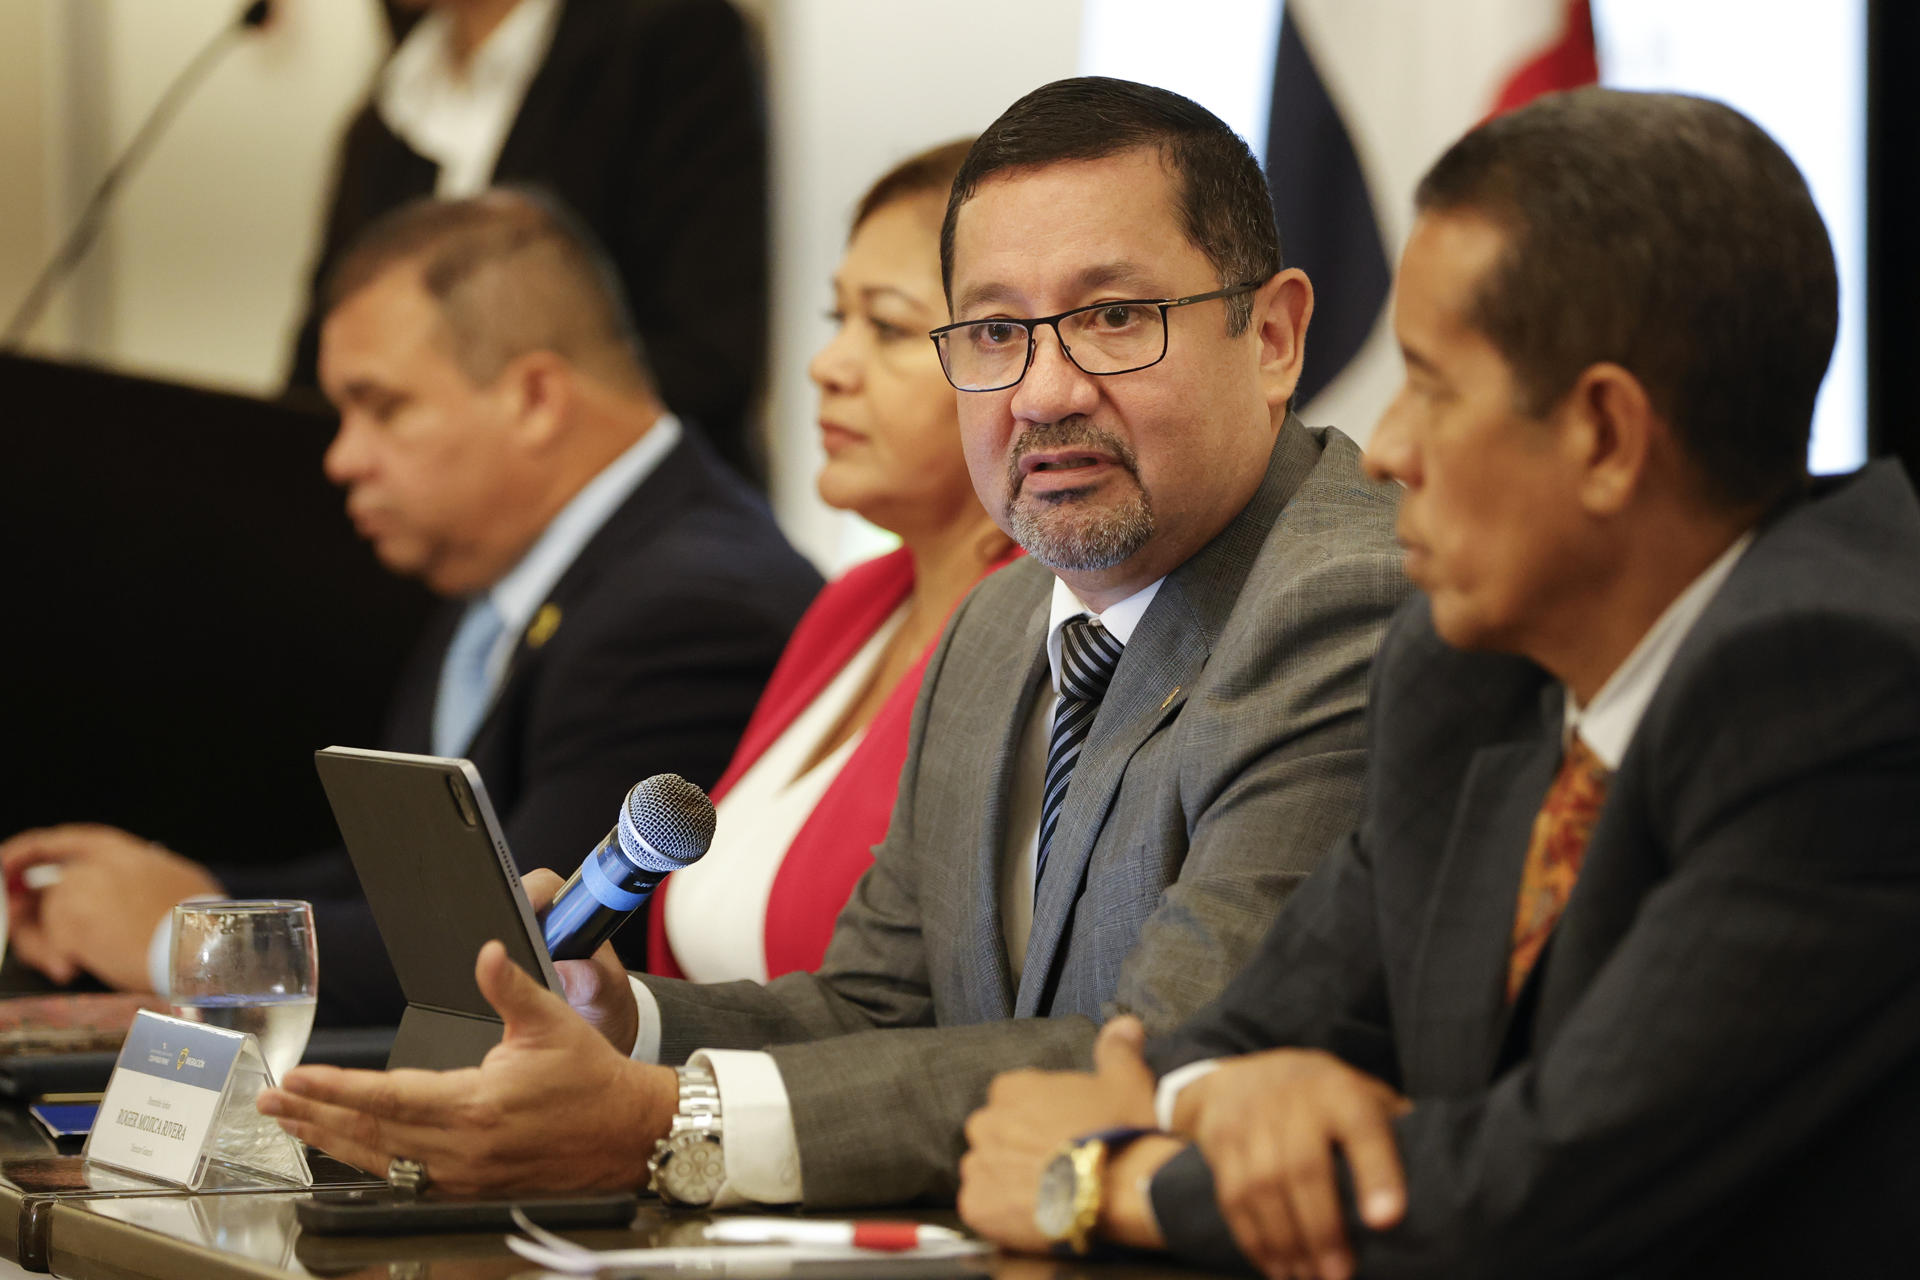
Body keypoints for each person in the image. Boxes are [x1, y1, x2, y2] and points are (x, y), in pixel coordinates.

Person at [253, 76, 1408, 1210]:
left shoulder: (1340, 600)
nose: (1044, 391)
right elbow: (876, 1003)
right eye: (997, 330)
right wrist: (623, 1021)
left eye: (1113, 317)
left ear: (1272, 335)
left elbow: (1156, 1059)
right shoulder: (1000, 616)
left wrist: (667, 1118)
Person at [956, 88, 1920, 1279]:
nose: (1392, 447)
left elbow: (1543, 1191)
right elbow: (1206, 1044)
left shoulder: (1849, 686)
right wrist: (1228, 1096)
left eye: (1431, 385)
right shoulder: (1470, 670)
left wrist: (1114, 1176)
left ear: (1607, 436)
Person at [1, 191, 820, 1027]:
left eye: (383, 407)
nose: (342, 457)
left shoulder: (690, 608)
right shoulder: (514, 564)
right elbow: (399, 883)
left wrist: (196, 942)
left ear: (535, 397)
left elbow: (514, 947)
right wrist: (151, 895)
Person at [647, 139, 1020, 983]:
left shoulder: (1040, 631)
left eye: (886, 327)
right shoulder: (854, 604)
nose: (826, 366)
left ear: (1011, 357)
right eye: (836, 319)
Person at [286, 0, 768, 482]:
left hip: (638, 511)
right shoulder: (394, 101)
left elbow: (712, 357)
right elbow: (318, 363)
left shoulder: (670, 33)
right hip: (421, 528)